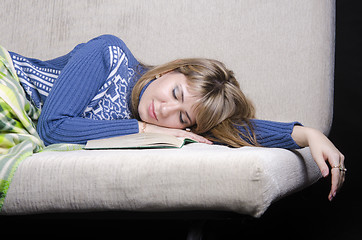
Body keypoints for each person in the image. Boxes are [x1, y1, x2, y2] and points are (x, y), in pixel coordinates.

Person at [3, 34, 345, 201]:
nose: (164, 111)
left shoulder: (164, 125)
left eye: (182, 118)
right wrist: (145, 129)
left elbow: (232, 131)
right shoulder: (109, 54)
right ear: (168, 72)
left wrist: (308, 134)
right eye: (176, 94)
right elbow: (54, 128)